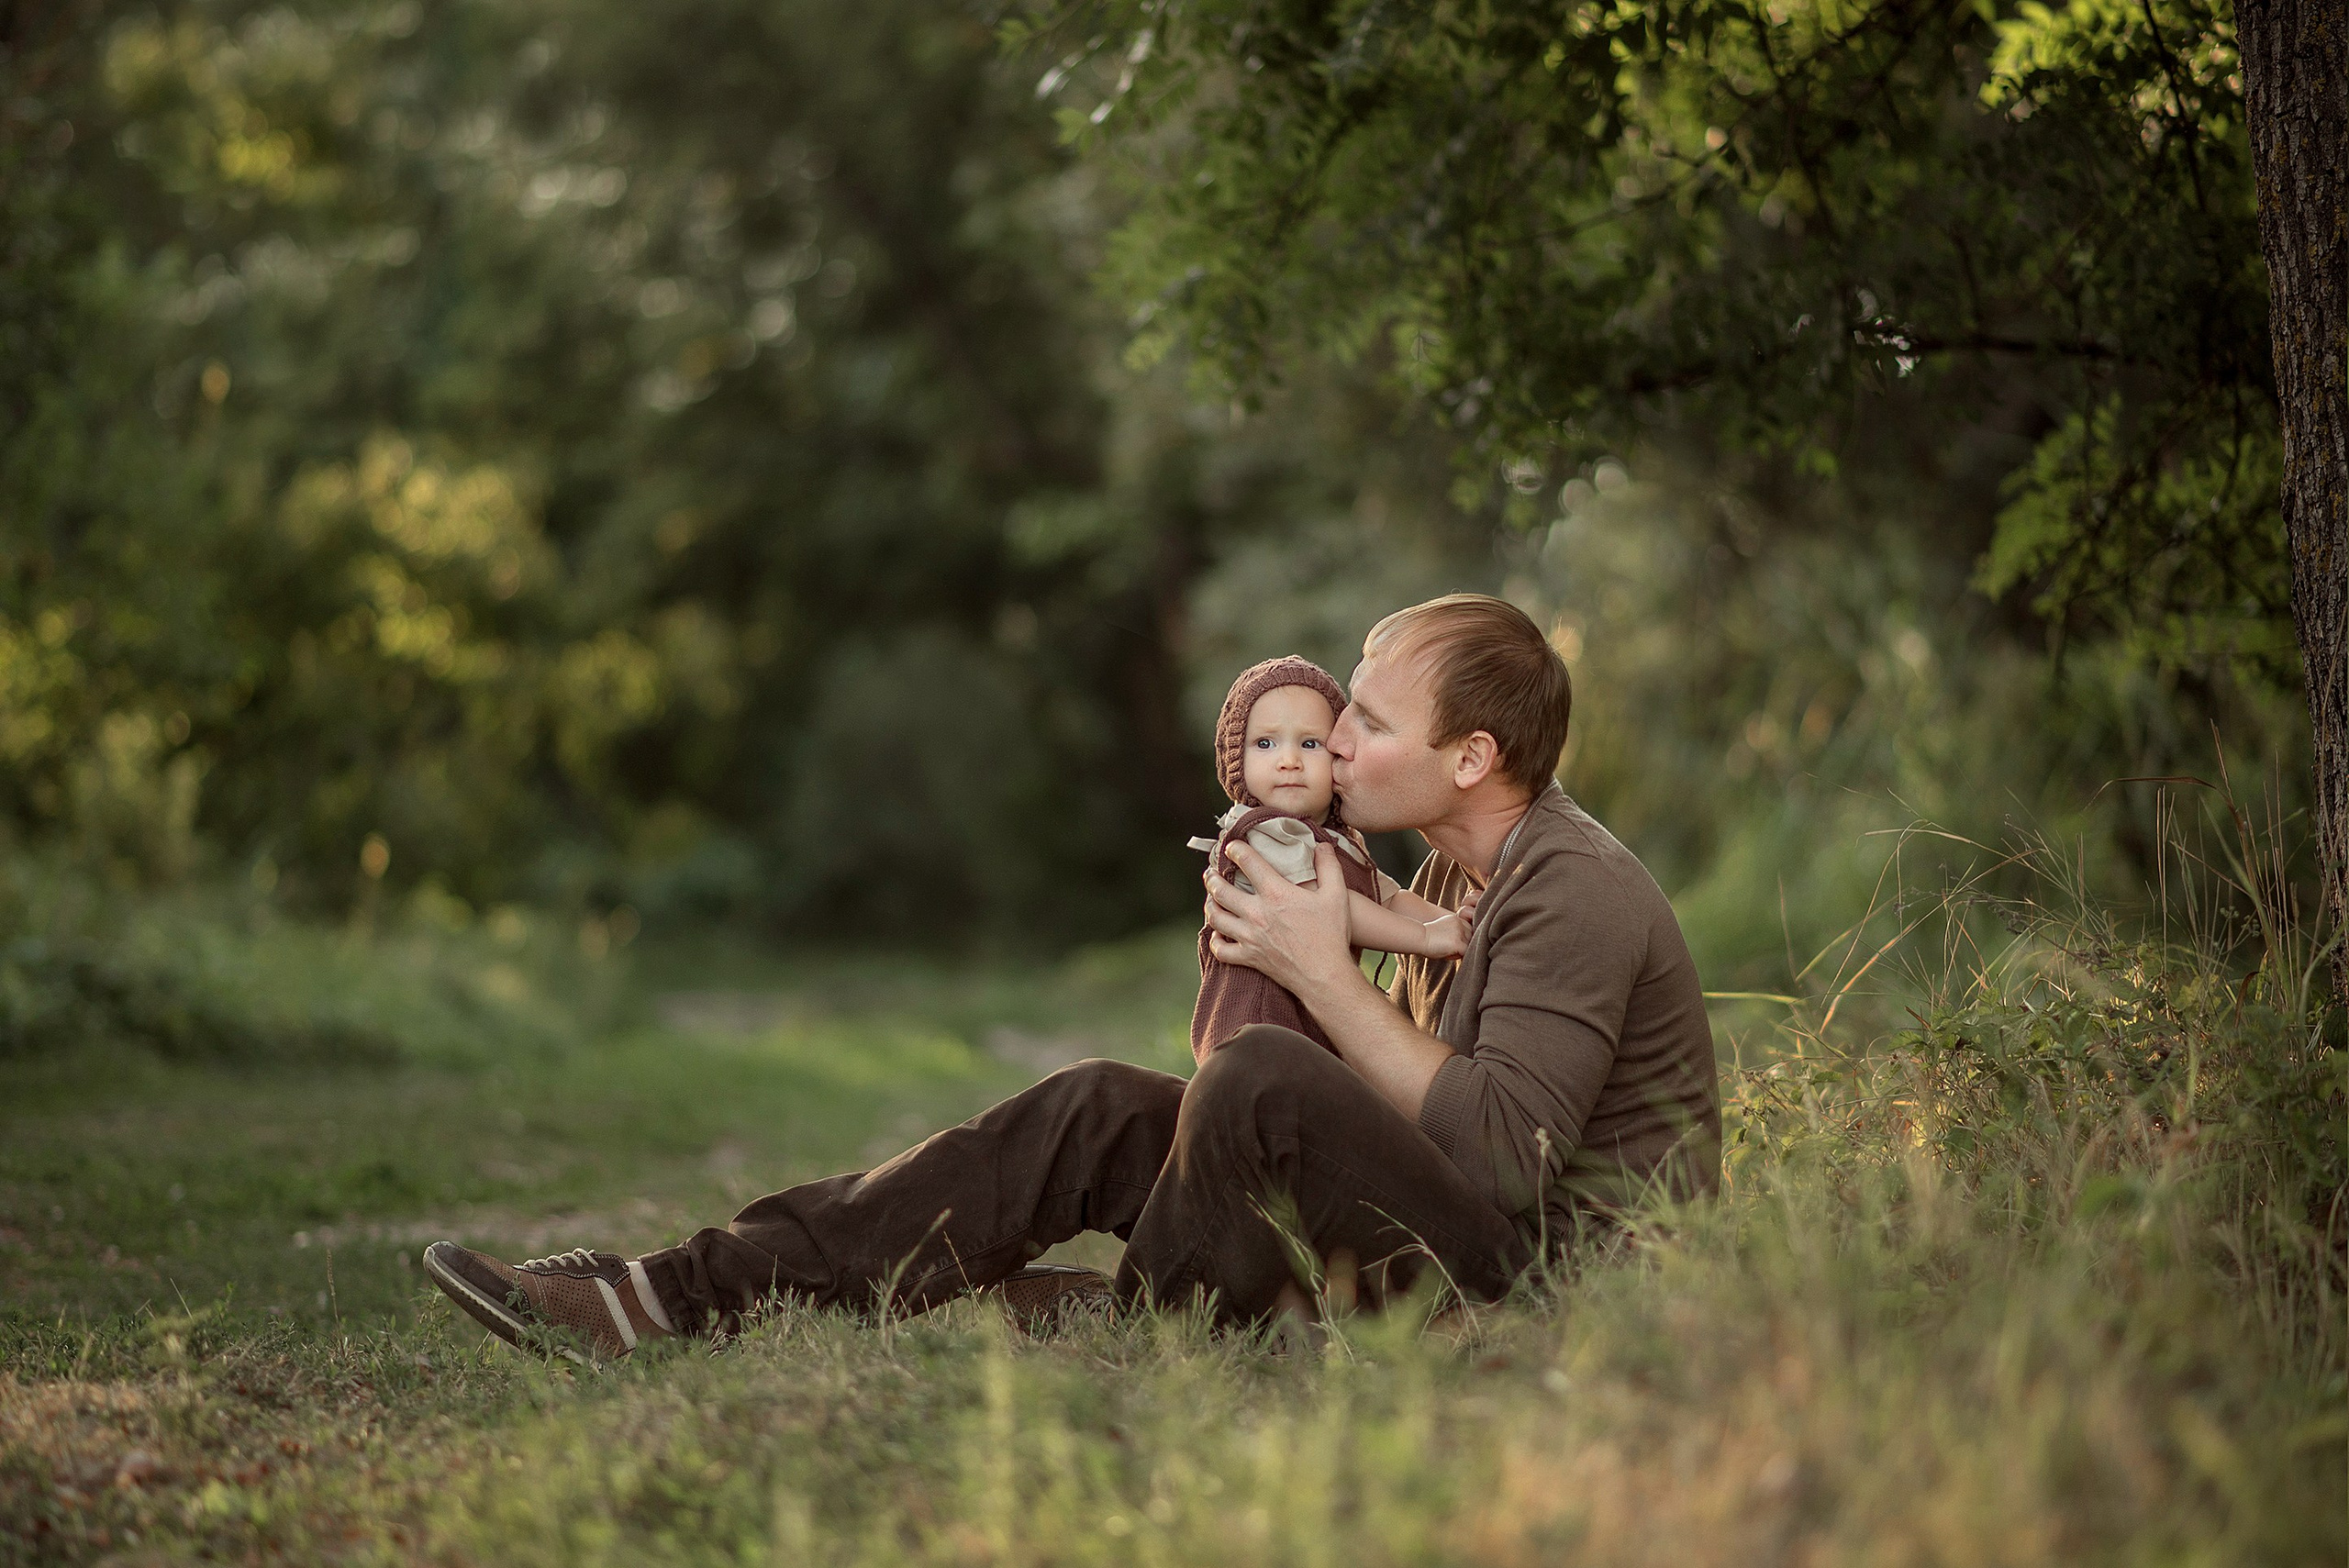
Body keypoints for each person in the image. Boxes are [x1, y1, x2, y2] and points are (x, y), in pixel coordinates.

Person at [422, 594, 1720, 1361]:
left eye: (1372, 721)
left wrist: (1322, 979)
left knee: (1264, 1076)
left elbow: (1498, 1162)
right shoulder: (1441, 871)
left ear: (1471, 756)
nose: (1336, 734)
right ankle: (671, 1294)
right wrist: (1287, 989)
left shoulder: (1573, 888)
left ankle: (1126, 1325)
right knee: (1107, 1102)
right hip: (1448, 1242)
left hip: (1544, 1299)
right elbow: (1395, 1114)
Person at [1186, 653, 1473, 1063]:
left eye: (1310, 743)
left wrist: (1447, 922)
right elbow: (1329, 913)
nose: (1289, 760)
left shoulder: (1337, 840)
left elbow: (1387, 899)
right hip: (1257, 1031)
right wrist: (1426, 939)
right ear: (1237, 759)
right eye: (1265, 743)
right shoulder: (1265, 832)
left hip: (1311, 1028)